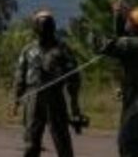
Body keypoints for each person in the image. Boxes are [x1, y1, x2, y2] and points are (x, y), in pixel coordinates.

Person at [12, 9, 84, 157]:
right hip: (32, 97)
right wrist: (16, 99)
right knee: (31, 142)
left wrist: (75, 106)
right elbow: (20, 76)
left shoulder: (62, 50)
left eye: (47, 23)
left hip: (55, 97)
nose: (45, 27)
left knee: (61, 140)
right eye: (42, 23)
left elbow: (73, 78)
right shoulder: (28, 50)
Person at [98, 1, 138, 157]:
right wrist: (118, 16)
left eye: (130, 20)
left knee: (129, 143)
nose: (127, 22)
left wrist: (86, 32)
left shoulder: (137, 44)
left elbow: (107, 46)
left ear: (137, 26)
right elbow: (121, 38)